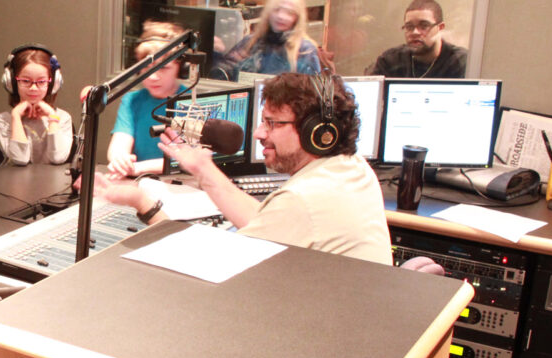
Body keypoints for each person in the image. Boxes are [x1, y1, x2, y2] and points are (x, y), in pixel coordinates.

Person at [87, 72, 391, 264]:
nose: (259, 133)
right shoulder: (352, 168)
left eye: (272, 123)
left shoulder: (302, 200)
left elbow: (210, 266)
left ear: (317, 132)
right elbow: (265, 221)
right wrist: (203, 169)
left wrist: (143, 203)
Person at [107, 20, 188, 177]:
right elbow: (119, 145)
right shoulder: (132, 101)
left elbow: (187, 159)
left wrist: (138, 168)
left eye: (163, 68)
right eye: (146, 67)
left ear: (180, 68)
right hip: (141, 182)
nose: (152, 76)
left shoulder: (191, 104)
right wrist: (120, 160)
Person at [212, 0, 322, 81]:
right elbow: (222, 78)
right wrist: (217, 53)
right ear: (268, 12)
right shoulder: (251, 42)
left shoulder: (305, 52)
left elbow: (310, 97)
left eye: (289, 12)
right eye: (277, 9)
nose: (281, 16)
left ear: (297, 18)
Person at [0, 44, 73, 165]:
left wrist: (52, 117)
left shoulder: (63, 118)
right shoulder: (2, 121)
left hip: (51, 183)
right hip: (15, 183)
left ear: (52, 84)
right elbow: (20, 159)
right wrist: (16, 117)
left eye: (41, 81)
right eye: (25, 81)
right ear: (12, 83)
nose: (34, 88)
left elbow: (58, 157)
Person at [367, 0, 468, 79]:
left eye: (424, 26)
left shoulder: (459, 61)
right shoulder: (390, 61)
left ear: (440, 28)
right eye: (409, 27)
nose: (415, 32)